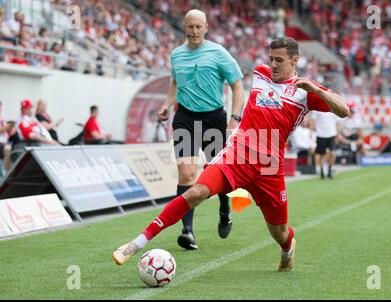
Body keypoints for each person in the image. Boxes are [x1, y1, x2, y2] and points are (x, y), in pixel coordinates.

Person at [113, 37, 350, 272]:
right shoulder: (260, 73)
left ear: (295, 60)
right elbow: (233, 81)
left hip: (269, 166)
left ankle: (288, 249)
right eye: (271, 59)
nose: (273, 65)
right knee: (196, 192)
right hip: (237, 154)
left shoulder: (305, 92)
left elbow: (343, 110)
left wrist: (315, 89)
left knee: (279, 232)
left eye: (279, 60)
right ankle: (137, 243)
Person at [156, 9, 245, 250]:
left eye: (198, 27)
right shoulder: (176, 55)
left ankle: (225, 209)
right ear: (184, 27)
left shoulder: (219, 53)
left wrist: (235, 118)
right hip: (185, 117)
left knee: (220, 177)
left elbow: (237, 86)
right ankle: (187, 231)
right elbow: (175, 82)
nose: (194, 31)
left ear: (206, 27)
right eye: (190, 27)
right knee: (186, 174)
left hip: (214, 118)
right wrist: (166, 104)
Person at [311, 110, 339, 179]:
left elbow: (337, 121)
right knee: (321, 154)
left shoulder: (333, 108)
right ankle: (321, 171)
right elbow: (313, 120)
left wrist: (337, 132)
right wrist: (312, 131)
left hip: (332, 134)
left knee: (333, 153)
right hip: (320, 134)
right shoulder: (317, 108)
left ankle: (329, 170)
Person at [0, 100, 14, 174]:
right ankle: (5, 172)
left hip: (5, 141)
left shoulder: (2, 118)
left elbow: (7, 131)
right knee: (7, 148)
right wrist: (9, 126)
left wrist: (12, 128)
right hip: (1, 142)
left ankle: (10, 171)